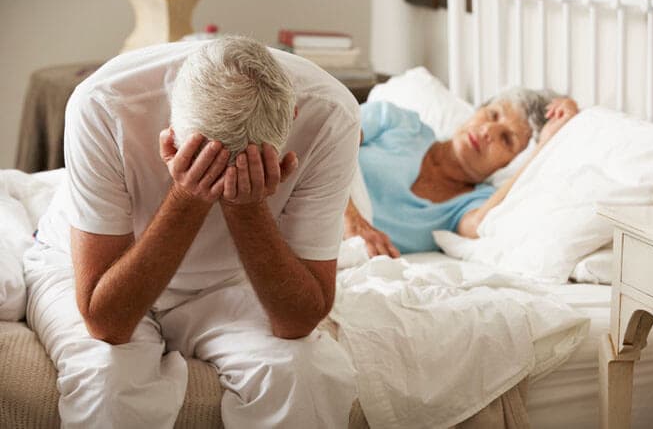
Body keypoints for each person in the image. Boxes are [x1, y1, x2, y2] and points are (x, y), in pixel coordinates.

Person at [23, 36, 360, 428]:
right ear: (169, 129)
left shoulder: (333, 115)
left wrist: (246, 206)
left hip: (229, 279)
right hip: (86, 267)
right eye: (205, 165)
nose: (220, 183)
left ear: (294, 115)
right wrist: (186, 196)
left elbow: (299, 320)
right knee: (107, 381)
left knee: (302, 376)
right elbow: (107, 322)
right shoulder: (102, 103)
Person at [344, 88, 579, 257]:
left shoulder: (472, 203)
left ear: (513, 163)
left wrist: (544, 146)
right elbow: (324, 140)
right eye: (493, 115)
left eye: (506, 139)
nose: (488, 130)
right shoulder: (399, 123)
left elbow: (479, 224)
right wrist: (351, 216)